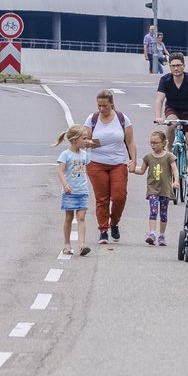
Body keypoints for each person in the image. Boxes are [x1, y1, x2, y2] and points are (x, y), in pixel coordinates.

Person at [83, 90, 136, 244]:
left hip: (118, 162)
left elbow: (130, 141)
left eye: (104, 106)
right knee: (102, 198)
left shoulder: (122, 118)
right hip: (96, 162)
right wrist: (89, 142)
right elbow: (84, 140)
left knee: (119, 196)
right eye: (99, 105)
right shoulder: (92, 119)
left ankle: (114, 222)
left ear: (111, 104)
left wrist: (133, 160)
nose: (101, 109)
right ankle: (103, 230)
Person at [154, 52, 188, 171]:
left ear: (184, 66)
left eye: (178, 65)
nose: (176, 68)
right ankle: (170, 151)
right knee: (172, 123)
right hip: (173, 109)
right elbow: (159, 100)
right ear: (170, 67)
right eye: (173, 66)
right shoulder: (165, 80)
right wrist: (158, 117)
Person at [135, 130, 180, 246]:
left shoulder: (169, 156)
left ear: (164, 143)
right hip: (153, 189)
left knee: (164, 213)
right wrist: (132, 170)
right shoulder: (148, 157)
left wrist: (176, 181)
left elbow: (175, 170)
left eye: (156, 142)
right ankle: (152, 233)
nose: (153, 145)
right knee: (153, 211)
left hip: (165, 189)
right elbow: (141, 170)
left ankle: (162, 235)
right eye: (151, 142)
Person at [53, 125, 92, 256]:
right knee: (69, 217)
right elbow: (60, 171)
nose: (86, 141)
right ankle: (66, 244)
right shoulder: (66, 155)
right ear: (75, 140)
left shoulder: (85, 155)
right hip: (69, 192)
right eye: (84, 138)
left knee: (81, 217)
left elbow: (86, 170)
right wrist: (65, 185)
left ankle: (82, 244)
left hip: (82, 191)